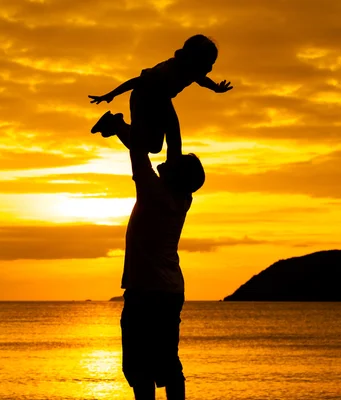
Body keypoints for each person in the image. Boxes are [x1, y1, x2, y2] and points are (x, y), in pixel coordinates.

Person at [105, 116, 205, 400]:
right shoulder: (181, 198)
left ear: (174, 175)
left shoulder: (152, 191)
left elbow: (138, 151)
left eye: (175, 162)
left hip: (146, 291)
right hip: (170, 291)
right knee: (167, 362)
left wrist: (121, 127)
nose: (170, 159)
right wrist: (163, 103)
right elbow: (172, 142)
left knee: (140, 367)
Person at [88, 34, 232, 162]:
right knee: (142, 145)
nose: (210, 68)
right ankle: (115, 123)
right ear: (193, 59)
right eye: (208, 64)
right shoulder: (168, 71)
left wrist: (216, 88)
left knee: (164, 142)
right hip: (143, 98)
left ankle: (173, 167)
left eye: (212, 64)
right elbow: (137, 82)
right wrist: (110, 94)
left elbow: (202, 80)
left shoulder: (192, 70)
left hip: (162, 100)